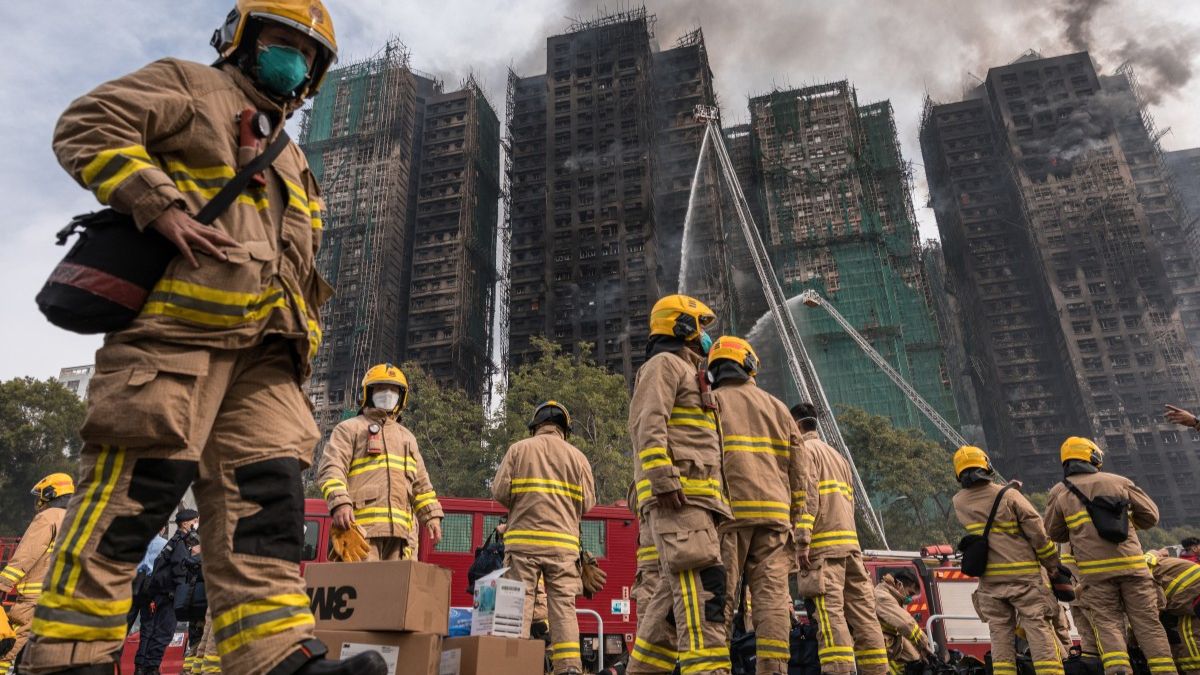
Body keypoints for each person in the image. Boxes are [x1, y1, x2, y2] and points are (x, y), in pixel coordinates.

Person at [26, 2, 386, 673]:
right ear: (241, 40)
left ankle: (276, 655)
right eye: (283, 43)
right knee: (136, 497)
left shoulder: (295, 156)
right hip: (177, 339)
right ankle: (67, 656)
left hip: (268, 360)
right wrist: (159, 203)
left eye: (309, 57)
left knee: (269, 508)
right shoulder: (192, 86)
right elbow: (86, 122)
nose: (296, 62)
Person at [628, 294, 732, 675]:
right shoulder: (664, 365)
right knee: (701, 595)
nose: (706, 337)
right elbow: (647, 424)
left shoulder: (690, 372)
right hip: (680, 502)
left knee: (668, 609)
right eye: (701, 327)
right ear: (682, 326)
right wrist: (664, 479)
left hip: (698, 504)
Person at [706, 336, 804, 675]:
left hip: (729, 518)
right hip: (775, 521)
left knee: (721, 600)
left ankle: (716, 668)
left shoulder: (709, 403)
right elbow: (799, 473)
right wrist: (797, 519)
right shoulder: (777, 407)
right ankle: (773, 669)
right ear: (749, 364)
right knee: (773, 602)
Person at [1043, 437, 1174, 675]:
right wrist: (1129, 521)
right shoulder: (1119, 482)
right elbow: (1151, 516)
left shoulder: (1059, 492)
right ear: (1093, 457)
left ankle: (1119, 671)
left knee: (1108, 625)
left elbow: (1054, 532)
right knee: (1149, 625)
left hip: (1096, 575)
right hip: (1134, 569)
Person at [492, 401, 596, 675]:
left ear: (535, 426)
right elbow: (587, 504)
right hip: (563, 548)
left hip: (523, 546)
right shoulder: (578, 458)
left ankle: (512, 667)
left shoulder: (518, 450)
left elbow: (500, 493)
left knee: (517, 603)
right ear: (565, 429)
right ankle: (569, 668)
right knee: (563, 608)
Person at [792, 402, 889, 675]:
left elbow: (807, 497)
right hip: (851, 549)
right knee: (865, 617)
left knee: (829, 616)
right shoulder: (838, 456)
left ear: (797, 425)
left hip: (822, 551)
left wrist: (802, 539)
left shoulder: (805, 451)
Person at [951, 445, 1065, 675]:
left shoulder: (959, 502)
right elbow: (1038, 533)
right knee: (1038, 629)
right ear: (987, 466)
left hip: (990, 583)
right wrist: (1052, 564)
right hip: (1024, 579)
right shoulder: (1009, 495)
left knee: (1000, 635)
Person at [317, 363, 444, 561]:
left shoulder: (407, 438)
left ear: (402, 397)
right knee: (362, 589)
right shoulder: (349, 429)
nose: (387, 394)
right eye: (381, 389)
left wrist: (432, 515)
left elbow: (421, 484)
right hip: (361, 532)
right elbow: (331, 469)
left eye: (393, 390)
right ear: (368, 393)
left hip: (402, 537)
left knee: (398, 591)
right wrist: (340, 502)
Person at [0, 474, 73, 675]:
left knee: (7, 648)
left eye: (41, 495)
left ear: (51, 493)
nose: (39, 501)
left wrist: (2, 585)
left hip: (37, 599)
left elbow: (26, 555)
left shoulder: (48, 517)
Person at [135, 510, 200, 675]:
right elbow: (180, 570)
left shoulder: (175, 541)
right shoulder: (180, 543)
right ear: (185, 524)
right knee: (164, 632)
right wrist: (183, 591)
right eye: (195, 520)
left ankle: (148, 666)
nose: (197, 523)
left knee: (156, 631)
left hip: (163, 594)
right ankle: (151, 668)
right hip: (169, 595)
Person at [1144, 551, 1200, 674]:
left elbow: (1150, 613)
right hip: (1188, 595)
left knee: (1188, 638)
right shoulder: (1148, 564)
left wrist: (1133, 639)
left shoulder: (1140, 575)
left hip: (1192, 594)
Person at [873, 570, 931, 675]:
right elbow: (906, 623)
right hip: (879, 646)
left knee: (915, 661)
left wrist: (920, 652)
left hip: (892, 643)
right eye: (910, 593)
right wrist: (924, 644)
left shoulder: (896, 598)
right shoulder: (883, 596)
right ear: (899, 585)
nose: (910, 598)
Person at [127, 527, 169, 633]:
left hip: (134, 582)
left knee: (127, 619)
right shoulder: (164, 543)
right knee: (148, 624)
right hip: (151, 584)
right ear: (162, 529)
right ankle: (143, 650)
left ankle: (116, 648)